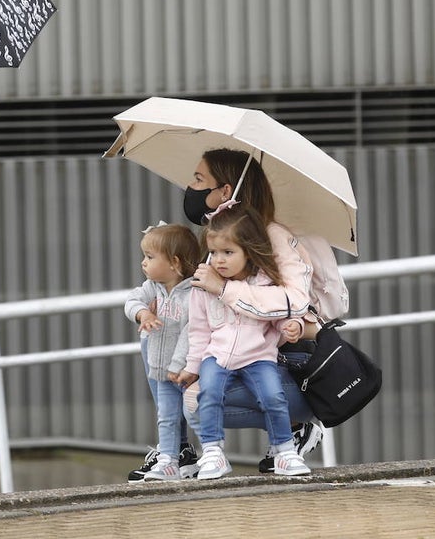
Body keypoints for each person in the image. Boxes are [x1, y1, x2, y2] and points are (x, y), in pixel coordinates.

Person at [182, 147, 325, 469]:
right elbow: (201, 320)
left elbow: (296, 300)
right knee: (189, 391)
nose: (191, 187)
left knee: (198, 400)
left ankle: (294, 428)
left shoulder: (273, 236)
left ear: (225, 192)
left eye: (199, 179)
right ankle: (184, 453)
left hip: (282, 359)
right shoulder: (216, 243)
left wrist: (225, 289)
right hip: (227, 353)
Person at [177, 206, 311, 479]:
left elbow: (276, 316)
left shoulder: (264, 284)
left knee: (273, 397)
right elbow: (199, 331)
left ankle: (285, 452)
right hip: (217, 356)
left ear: (248, 251)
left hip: (259, 357)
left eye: (228, 252)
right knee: (209, 395)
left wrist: (293, 325)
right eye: (214, 252)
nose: (219, 260)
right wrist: (192, 366)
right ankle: (212, 452)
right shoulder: (202, 287)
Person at [123, 223, 201, 481]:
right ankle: (169, 459)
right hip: (159, 368)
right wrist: (143, 313)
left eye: (150, 257)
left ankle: (210, 453)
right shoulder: (151, 288)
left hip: (184, 369)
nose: (143, 263)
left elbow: (193, 331)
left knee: (195, 412)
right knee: (166, 415)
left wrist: (178, 364)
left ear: (174, 263)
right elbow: (131, 301)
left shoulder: (193, 294)